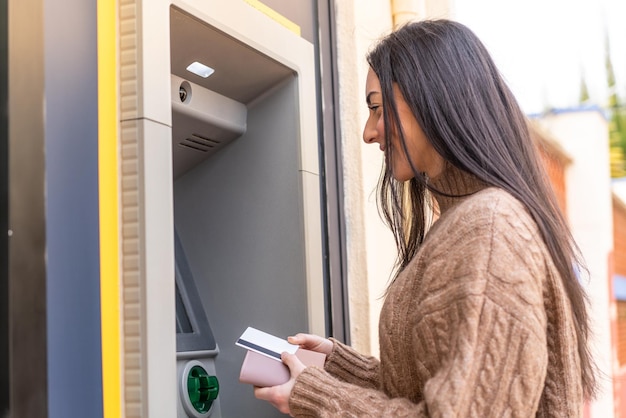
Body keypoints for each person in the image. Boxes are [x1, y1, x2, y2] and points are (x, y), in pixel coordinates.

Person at [254, 19, 597, 416]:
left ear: (431, 99)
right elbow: (444, 386)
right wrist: (339, 366)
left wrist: (320, 397)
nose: (369, 132)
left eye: (377, 109)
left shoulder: (489, 230)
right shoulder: (472, 220)